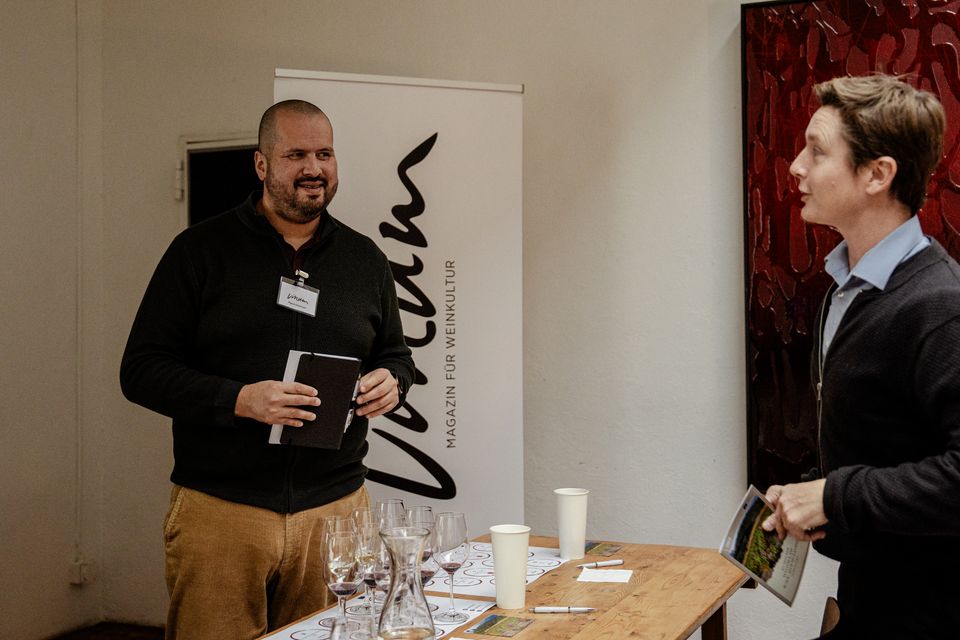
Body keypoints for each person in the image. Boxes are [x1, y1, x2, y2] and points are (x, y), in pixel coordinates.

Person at [120, 99, 415, 639]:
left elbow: (396, 355)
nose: (313, 168)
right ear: (261, 164)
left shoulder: (365, 259)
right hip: (222, 510)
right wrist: (239, 400)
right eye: (295, 154)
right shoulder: (199, 251)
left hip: (336, 510)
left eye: (324, 154)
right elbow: (140, 370)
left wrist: (393, 381)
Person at [760, 75, 960, 638]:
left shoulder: (941, 306)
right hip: (867, 598)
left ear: (877, 174)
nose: (796, 167)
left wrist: (832, 496)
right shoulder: (844, 291)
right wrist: (808, 492)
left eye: (817, 151)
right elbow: (887, 440)